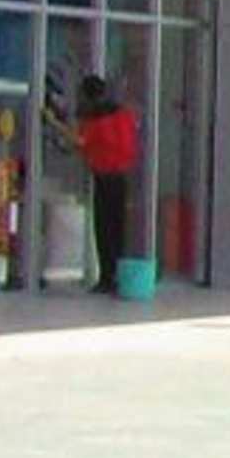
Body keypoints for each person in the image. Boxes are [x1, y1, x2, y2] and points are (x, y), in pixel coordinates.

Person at [75, 76, 141, 295]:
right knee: (118, 228)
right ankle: (119, 276)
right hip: (122, 177)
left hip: (104, 178)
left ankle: (107, 276)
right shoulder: (124, 115)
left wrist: (53, 122)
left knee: (104, 229)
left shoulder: (95, 120)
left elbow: (79, 142)